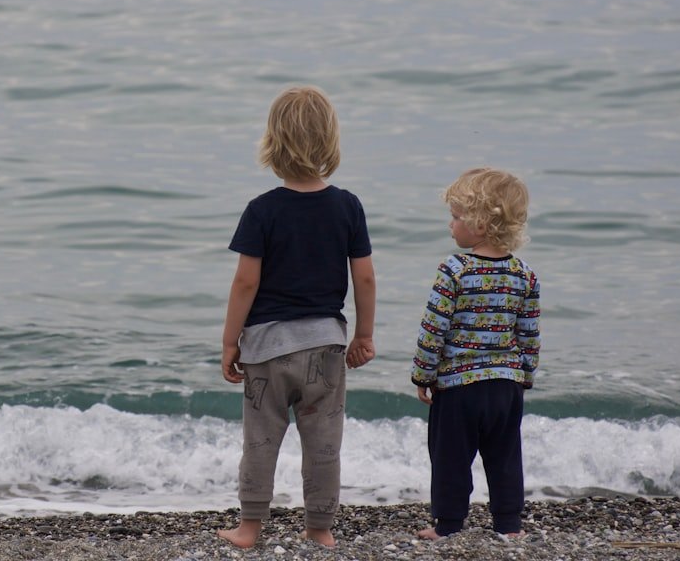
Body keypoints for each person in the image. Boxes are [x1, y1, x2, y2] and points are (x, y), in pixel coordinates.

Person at [217, 86, 376, 549]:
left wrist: (230, 342)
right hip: (325, 344)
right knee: (324, 442)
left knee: (261, 440)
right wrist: (363, 335)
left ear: (273, 142)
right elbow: (365, 278)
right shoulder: (347, 206)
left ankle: (249, 528)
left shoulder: (262, 210)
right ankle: (320, 529)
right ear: (330, 142)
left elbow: (245, 283)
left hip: (267, 349)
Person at [411, 167, 541, 539]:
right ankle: (509, 525)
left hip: (459, 387)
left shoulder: (454, 270)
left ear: (480, 225)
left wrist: (423, 375)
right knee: (505, 456)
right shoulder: (524, 274)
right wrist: (524, 375)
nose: (450, 224)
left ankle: (449, 525)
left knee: (451, 457)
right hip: (505, 386)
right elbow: (529, 334)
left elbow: (434, 329)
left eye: (455, 216)